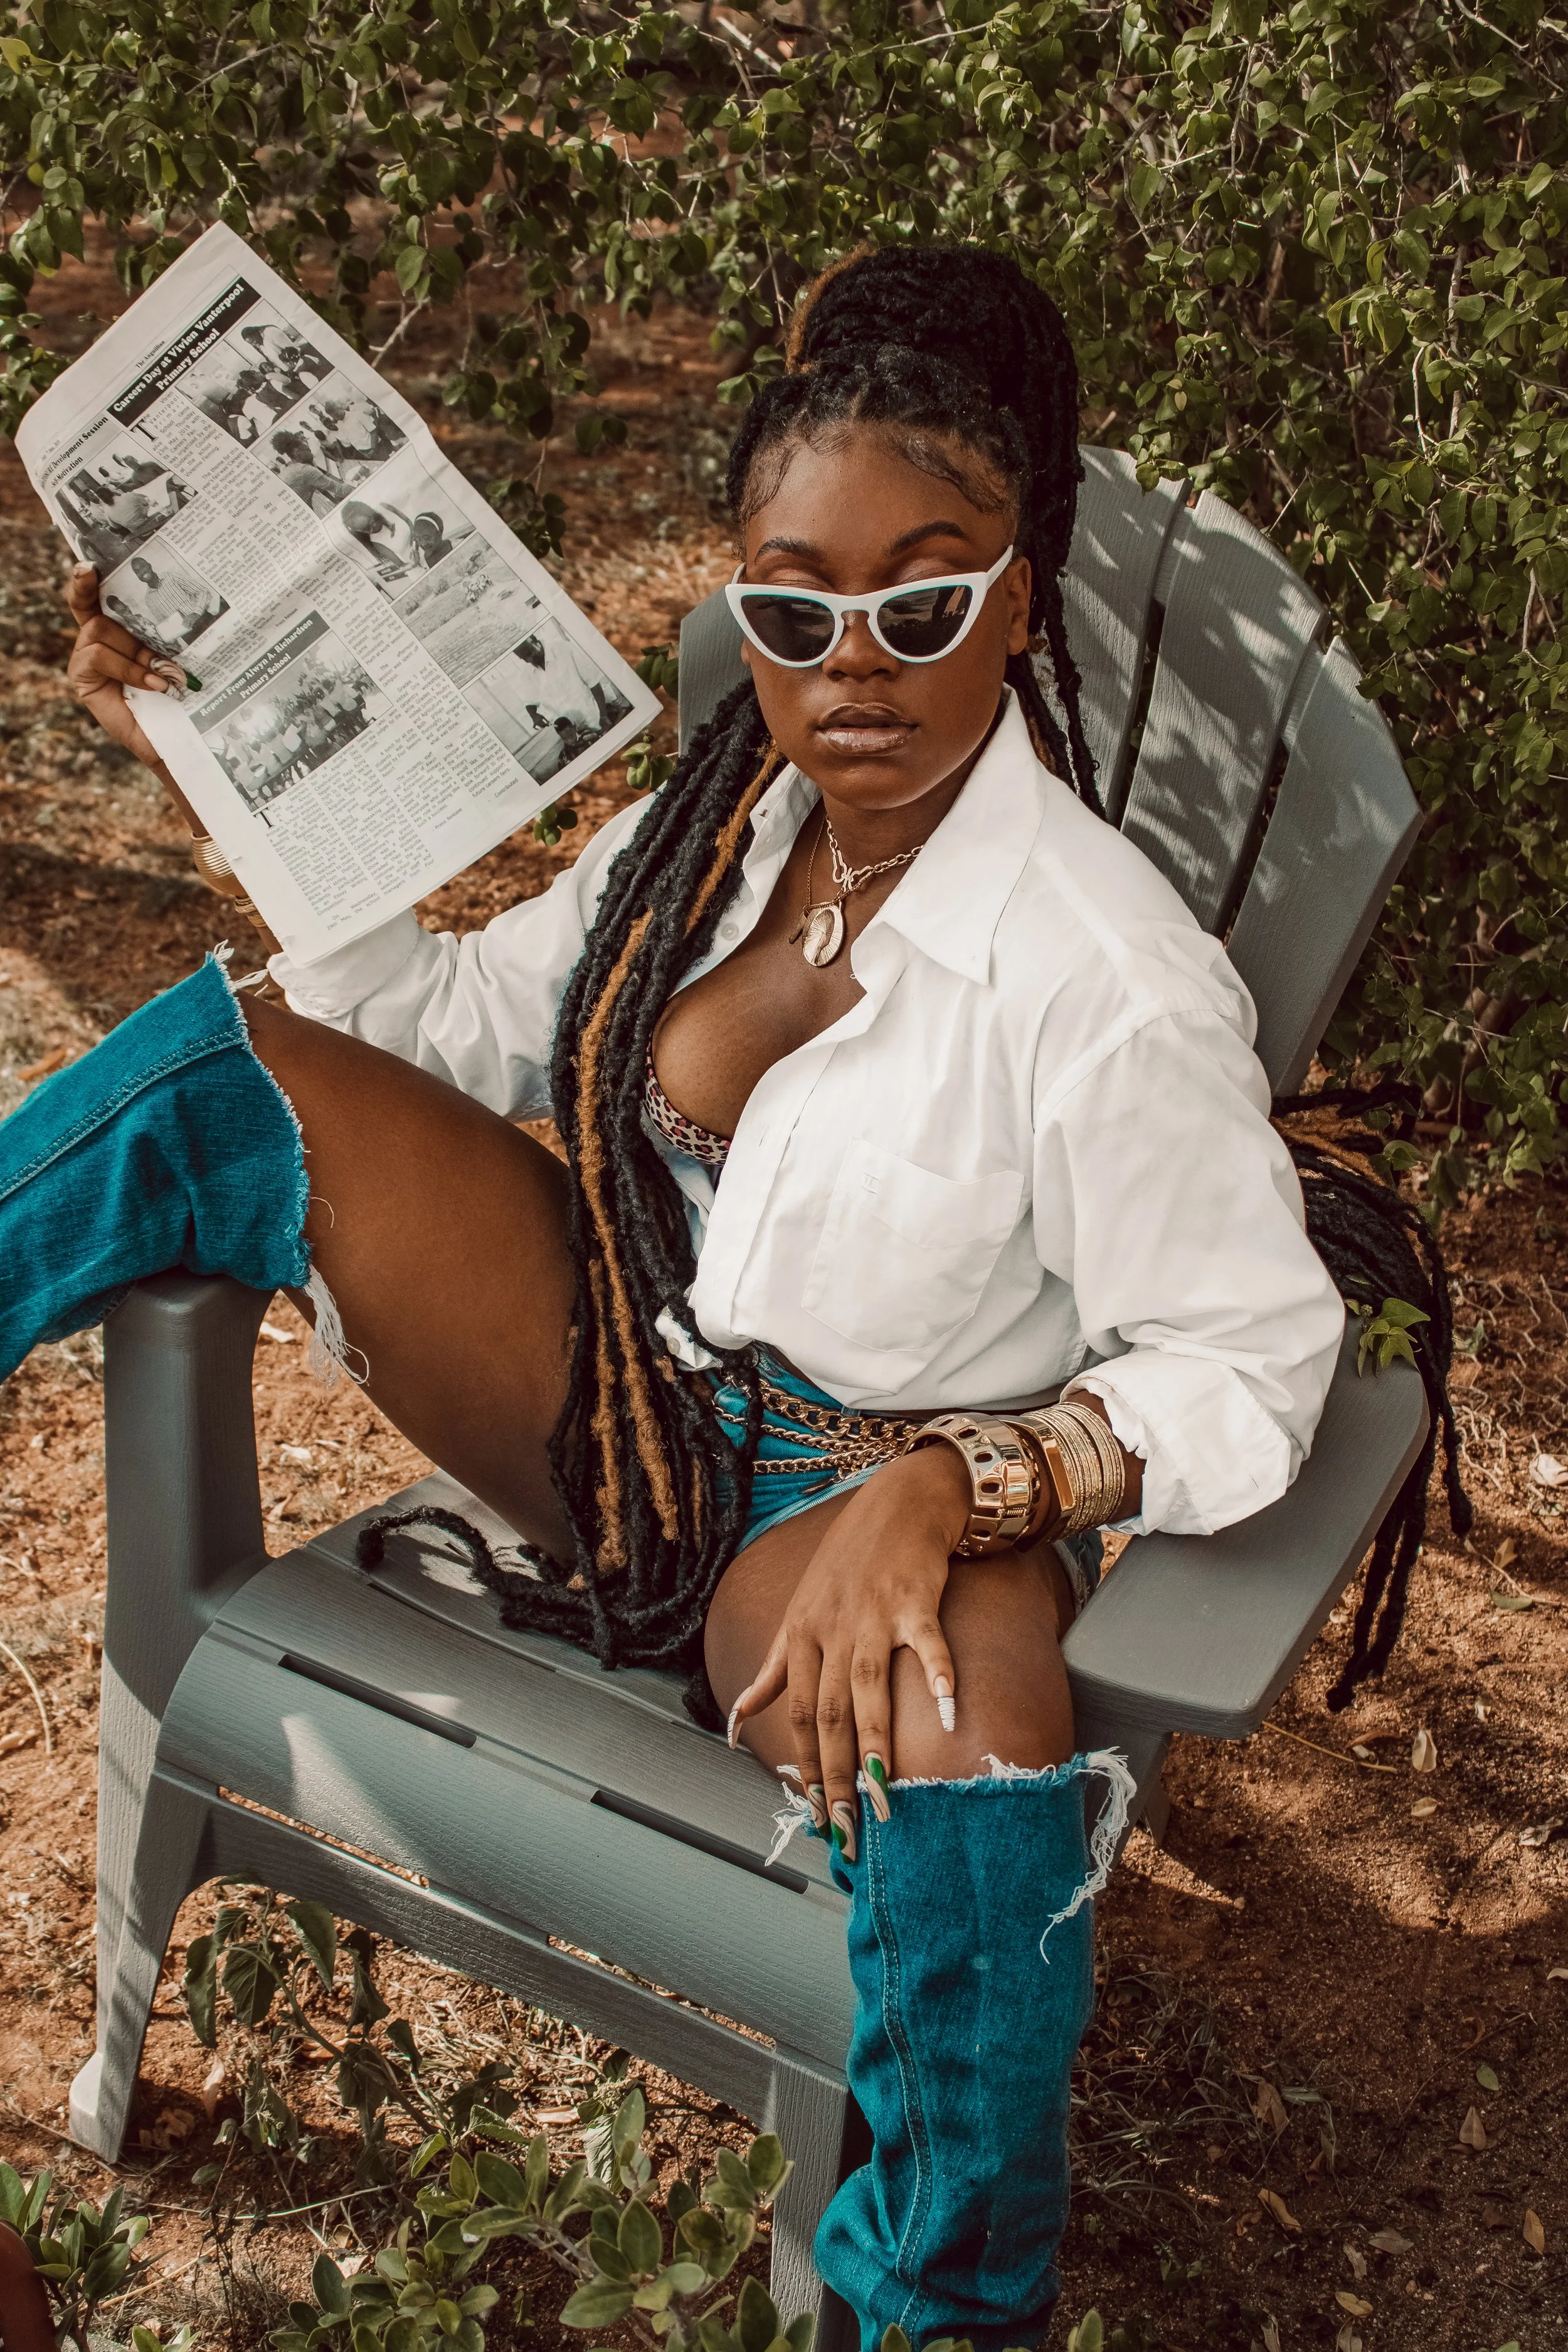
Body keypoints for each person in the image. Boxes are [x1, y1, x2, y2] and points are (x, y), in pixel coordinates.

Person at [11, 247, 1422, 2349]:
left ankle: (936, 2310)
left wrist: (953, 1494)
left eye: (922, 599)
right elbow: (470, 1030)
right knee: (239, 1070)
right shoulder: (720, 824)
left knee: (973, 1742)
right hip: (603, 1388)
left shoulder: (1099, 976)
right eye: (791, 604)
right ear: (743, 607)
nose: (852, 663)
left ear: (1016, 601)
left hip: (840, 1513)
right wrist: (227, 752)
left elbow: (1252, 1352)